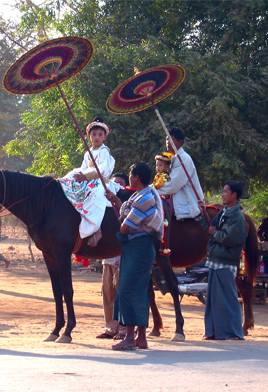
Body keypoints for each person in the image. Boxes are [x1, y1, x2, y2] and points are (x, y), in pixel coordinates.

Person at [105, 162, 164, 350]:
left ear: (136, 177)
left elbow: (126, 226)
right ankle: (141, 337)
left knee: (127, 290)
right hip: (138, 248)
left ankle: (130, 337)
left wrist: (123, 225)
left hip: (139, 247)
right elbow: (131, 217)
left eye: (131, 174)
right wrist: (116, 200)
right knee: (138, 291)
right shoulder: (142, 195)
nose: (129, 178)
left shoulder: (145, 197)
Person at [198, 181, 246, 341]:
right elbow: (210, 227)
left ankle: (233, 332)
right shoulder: (225, 212)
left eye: (226, 192)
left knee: (228, 297)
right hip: (215, 260)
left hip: (226, 261)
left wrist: (215, 234)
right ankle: (213, 331)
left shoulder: (237, 217)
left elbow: (230, 238)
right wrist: (202, 213)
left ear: (234, 195)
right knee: (213, 299)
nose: (223, 194)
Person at [59, 117, 117, 247]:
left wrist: (86, 176)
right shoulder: (88, 152)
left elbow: (101, 170)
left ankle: (97, 230)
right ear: (89, 136)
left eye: (100, 135)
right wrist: (79, 175)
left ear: (104, 137)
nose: (97, 137)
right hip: (88, 180)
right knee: (72, 179)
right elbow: (84, 168)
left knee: (94, 194)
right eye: (94, 134)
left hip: (100, 181)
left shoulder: (104, 151)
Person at [96, 173, 128, 340]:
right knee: (108, 292)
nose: (116, 186)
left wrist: (116, 200)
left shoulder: (127, 202)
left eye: (120, 184)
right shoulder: (102, 206)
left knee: (122, 292)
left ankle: (124, 328)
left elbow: (125, 216)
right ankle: (111, 327)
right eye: (114, 183)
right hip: (107, 257)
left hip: (122, 255)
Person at [158, 127, 204, 220]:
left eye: (171, 139)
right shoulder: (173, 158)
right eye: (167, 139)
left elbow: (173, 185)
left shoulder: (183, 159)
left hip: (186, 203)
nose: (168, 142)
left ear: (180, 141)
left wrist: (152, 191)